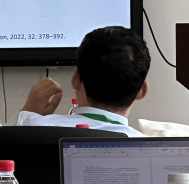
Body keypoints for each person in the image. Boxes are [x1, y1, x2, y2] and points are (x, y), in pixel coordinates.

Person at [16, 26, 150, 136]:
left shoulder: (27, 129)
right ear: (142, 91)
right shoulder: (152, 148)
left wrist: (27, 114)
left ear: (75, 79)